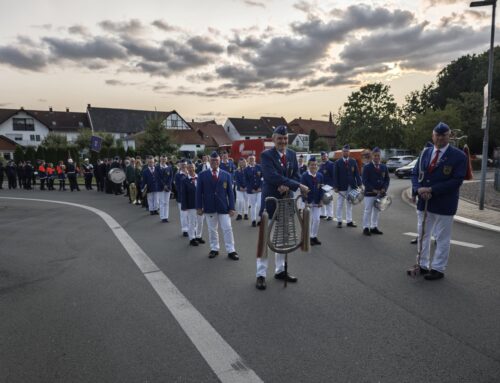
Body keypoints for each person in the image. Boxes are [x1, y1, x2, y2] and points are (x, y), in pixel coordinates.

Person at [256, 125, 309, 290]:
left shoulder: (292, 154)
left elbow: (296, 175)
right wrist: (294, 185)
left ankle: (280, 271)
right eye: (280, 138)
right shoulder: (266, 155)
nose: (283, 141)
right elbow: (271, 176)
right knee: (265, 239)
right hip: (271, 203)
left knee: (283, 239)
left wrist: (287, 185)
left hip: (287, 203)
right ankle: (261, 274)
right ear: (273, 139)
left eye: (285, 138)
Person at [411, 122, 466, 280]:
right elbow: (415, 174)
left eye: (444, 135)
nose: (440, 138)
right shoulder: (425, 153)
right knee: (423, 235)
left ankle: (438, 268)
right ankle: (421, 264)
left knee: (442, 238)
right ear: (433, 135)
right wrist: (418, 189)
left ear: (449, 136)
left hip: (444, 203)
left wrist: (432, 190)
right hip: (424, 202)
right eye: (437, 135)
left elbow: (457, 180)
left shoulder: (459, 156)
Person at [196, 151, 238, 260]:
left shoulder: (226, 175)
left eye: (217, 160)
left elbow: (230, 193)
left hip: (223, 207)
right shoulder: (202, 175)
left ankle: (231, 250)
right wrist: (199, 207)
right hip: (209, 207)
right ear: (210, 161)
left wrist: (232, 207)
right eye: (213, 160)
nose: (215, 162)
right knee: (212, 229)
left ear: (220, 161)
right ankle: (214, 248)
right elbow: (198, 192)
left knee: (227, 228)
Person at [361, 147, 390, 236]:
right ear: (372, 156)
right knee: (368, 210)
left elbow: (387, 179)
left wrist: (384, 189)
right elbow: (365, 181)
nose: (377, 157)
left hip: (380, 193)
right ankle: (366, 227)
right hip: (370, 193)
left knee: (377, 210)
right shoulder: (367, 167)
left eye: (378, 156)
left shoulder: (384, 167)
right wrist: (373, 189)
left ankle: (374, 227)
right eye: (375, 155)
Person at [333, 144, 361, 228]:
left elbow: (357, 173)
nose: (346, 152)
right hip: (341, 186)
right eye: (344, 151)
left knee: (349, 203)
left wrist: (359, 184)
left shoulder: (353, 161)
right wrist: (336, 186)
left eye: (347, 151)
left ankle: (349, 221)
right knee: (340, 204)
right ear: (342, 152)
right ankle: (339, 221)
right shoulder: (338, 162)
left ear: (349, 152)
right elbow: (335, 175)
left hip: (351, 186)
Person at [300, 156, 324, 246]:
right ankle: (307, 238)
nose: (314, 166)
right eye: (312, 165)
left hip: (317, 201)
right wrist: (305, 201)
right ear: (308, 166)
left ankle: (314, 236)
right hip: (308, 201)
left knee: (317, 219)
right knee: (307, 221)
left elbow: (321, 189)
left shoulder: (320, 175)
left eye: (315, 165)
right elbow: (302, 190)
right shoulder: (304, 176)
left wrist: (321, 200)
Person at [182, 161, 205, 246]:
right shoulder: (184, 180)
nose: (191, 169)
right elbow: (183, 194)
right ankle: (192, 238)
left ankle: (198, 236)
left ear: (195, 168)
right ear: (187, 169)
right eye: (189, 168)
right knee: (192, 222)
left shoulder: (200, 178)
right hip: (191, 204)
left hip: (200, 204)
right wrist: (184, 206)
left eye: (192, 167)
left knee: (200, 221)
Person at [244, 155, 263, 227]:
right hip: (251, 191)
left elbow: (263, 178)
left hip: (259, 190)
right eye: (250, 159)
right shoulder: (246, 169)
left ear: (255, 159)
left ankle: (260, 219)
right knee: (253, 206)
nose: (252, 160)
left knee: (259, 205)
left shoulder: (259, 167)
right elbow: (246, 180)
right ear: (248, 160)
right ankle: (253, 220)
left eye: (253, 159)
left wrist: (260, 187)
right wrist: (250, 188)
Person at [157, 155, 173, 222]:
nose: (163, 161)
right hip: (161, 187)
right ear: (160, 160)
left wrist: (167, 185)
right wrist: (164, 185)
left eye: (165, 159)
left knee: (166, 202)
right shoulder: (157, 167)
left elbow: (171, 177)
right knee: (162, 202)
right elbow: (157, 177)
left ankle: (166, 217)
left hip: (168, 187)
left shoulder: (169, 167)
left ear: (166, 160)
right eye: (162, 159)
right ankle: (162, 217)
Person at [175, 160, 189, 236]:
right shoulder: (177, 175)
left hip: (190, 198)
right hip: (182, 197)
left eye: (185, 164)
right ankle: (185, 229)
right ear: (180, 165)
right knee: (183, 214)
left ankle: (191, 228)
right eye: (182, 165)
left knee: (190, 215)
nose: (184, 166)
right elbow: (177, 187)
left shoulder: (190, 173)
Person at [319, 151, 335, 221]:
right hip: (322, 185)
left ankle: (330, 215)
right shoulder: (321, 165)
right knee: (322, 199)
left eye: (324, 156)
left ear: (327, 156)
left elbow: (334, 175)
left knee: (329, 200)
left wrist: (333, 185)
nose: (323, 157)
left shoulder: (331, 164)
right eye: (322, 156)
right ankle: (323, 214)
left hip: (329, 185)